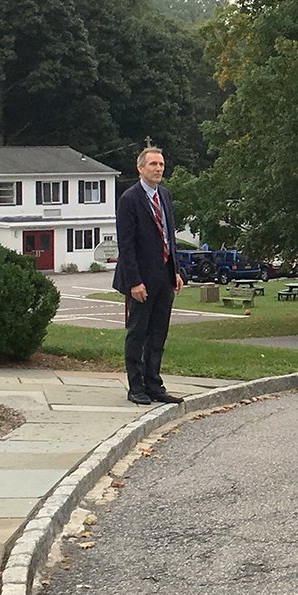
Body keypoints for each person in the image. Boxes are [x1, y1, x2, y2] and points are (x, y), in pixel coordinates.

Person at [113, 147, 184, 406]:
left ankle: (154, 383)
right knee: (138, 333)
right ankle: (136, 386)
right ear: (140, 168)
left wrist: (176, 270)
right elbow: (127, 244)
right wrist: (134, 281)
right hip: (140, 280)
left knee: (158, 333)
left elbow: (169, 237)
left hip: (164, 277)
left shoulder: (164, 195)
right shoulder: (130, 199)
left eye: (161, 164)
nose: (158, 168)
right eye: (153, 164)